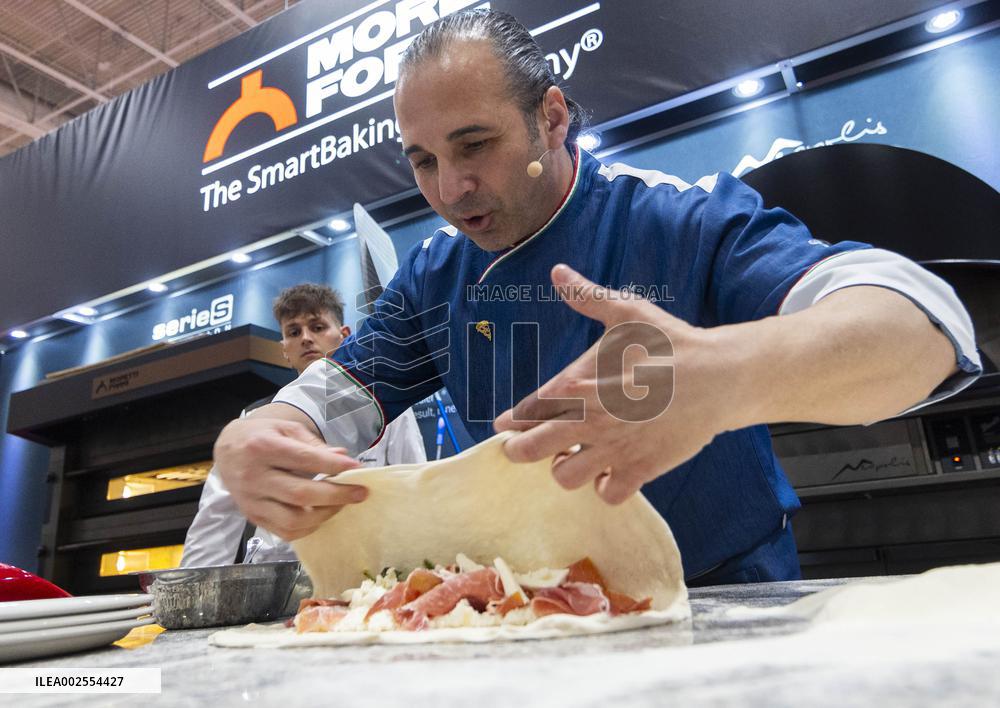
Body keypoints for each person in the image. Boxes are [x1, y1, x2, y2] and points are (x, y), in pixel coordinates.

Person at [211, 10, 981, 584]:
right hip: (532, 608)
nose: (451, 189)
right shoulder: (434, 275)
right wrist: (266, 431)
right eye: (423, 161)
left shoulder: (673, 216)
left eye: (475, 145)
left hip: (724, 604)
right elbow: (339, 395)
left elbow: (920, 327)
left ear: (550, 117)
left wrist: (727, 374)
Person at [180, 283, 425, 567]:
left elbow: (412, 487)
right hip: (274, 579)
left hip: (364, 570)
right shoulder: (254, 420)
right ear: (283, 348)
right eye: (294, 332)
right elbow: (216, 517)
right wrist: (192, 596)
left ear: (344, 336)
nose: (306, 339)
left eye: (318, 327)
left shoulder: (386, 411)